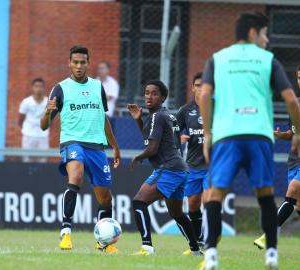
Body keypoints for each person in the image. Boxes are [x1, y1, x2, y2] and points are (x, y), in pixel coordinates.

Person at [198, 12, 300, 270]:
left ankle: (210, 255)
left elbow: (205, 94)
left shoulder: (217, 59)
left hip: (226, 136)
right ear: (254, 32)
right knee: (265, 194)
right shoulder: (268, 60)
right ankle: (272, 255)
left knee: (215, 194)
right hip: (259, 135)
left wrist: (208, 133)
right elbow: (291, 99)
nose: (266, 40)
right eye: (265, 34)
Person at [40, 45, 121, 253]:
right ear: (69, 63)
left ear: (88, 63)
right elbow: (43, 126)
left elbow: (103, 119)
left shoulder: (97, 87)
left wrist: (115, 146)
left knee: (105, 197)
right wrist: (48, 113)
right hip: (72, 142)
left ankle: (103, 243)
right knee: (75, 176)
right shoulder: (60, 88)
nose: (78, 66)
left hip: (96, 146)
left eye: (82, 62)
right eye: (75, 62)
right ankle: (65, 233)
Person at [127, 80, 202, 256]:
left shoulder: (157, 116)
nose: (149, 97)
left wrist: (138, 157)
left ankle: (147, 247)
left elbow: (152, 148)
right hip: (180, 169)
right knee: (177, 213)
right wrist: (139, 121)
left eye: (154, 93)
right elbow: (153, 140)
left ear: (163, 97)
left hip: (168, 168)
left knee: (139, 201)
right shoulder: (167, 116)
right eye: (146, 93)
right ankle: (196, 250)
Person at [254, 65, 300, 249]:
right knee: (297, 205)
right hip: (294, 160)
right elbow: (294, 132)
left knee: (293, 190)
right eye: (298, 77)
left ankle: (269, 234)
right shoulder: (295, 104)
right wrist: (283, 135)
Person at [176, 72, 209, 253]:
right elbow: (172, 132)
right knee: (194, 204)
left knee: (210, 200)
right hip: (193, 165)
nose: (201, 88)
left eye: (205, 85)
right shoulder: (185, 110)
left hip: (213, 164)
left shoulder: (217, 108)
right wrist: (179, 137)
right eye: (198, 85)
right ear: (193, 87)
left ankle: (211, 240)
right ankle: (198, 242)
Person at [19, 78, 49, 163]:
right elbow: (20, 119)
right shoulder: (26, 102)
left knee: (43, 160)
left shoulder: (48, 102)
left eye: (41, 86)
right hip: (28, 135)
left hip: (43, 136)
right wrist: (26, 129)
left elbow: (51, 119)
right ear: (32, 88)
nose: (39, 88)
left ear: (44, 88)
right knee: (27, 159)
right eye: (36, 86)